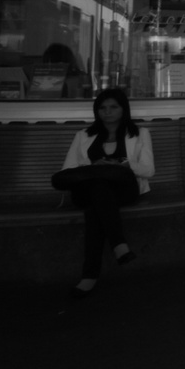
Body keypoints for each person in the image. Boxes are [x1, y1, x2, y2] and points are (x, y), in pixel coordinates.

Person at [57, 88, 154, 297]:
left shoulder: (139, 133)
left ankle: (89, 276)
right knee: (98, 189)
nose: (107, 112)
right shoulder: (83, 136)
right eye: (102, 108)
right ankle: (119, 245)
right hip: (88, 189)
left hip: (124, 189)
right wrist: (94, 165)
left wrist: (124, 164)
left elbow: (149, 170)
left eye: (113, 107)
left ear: (123, 109)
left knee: (96, 205)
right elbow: (66, 171)